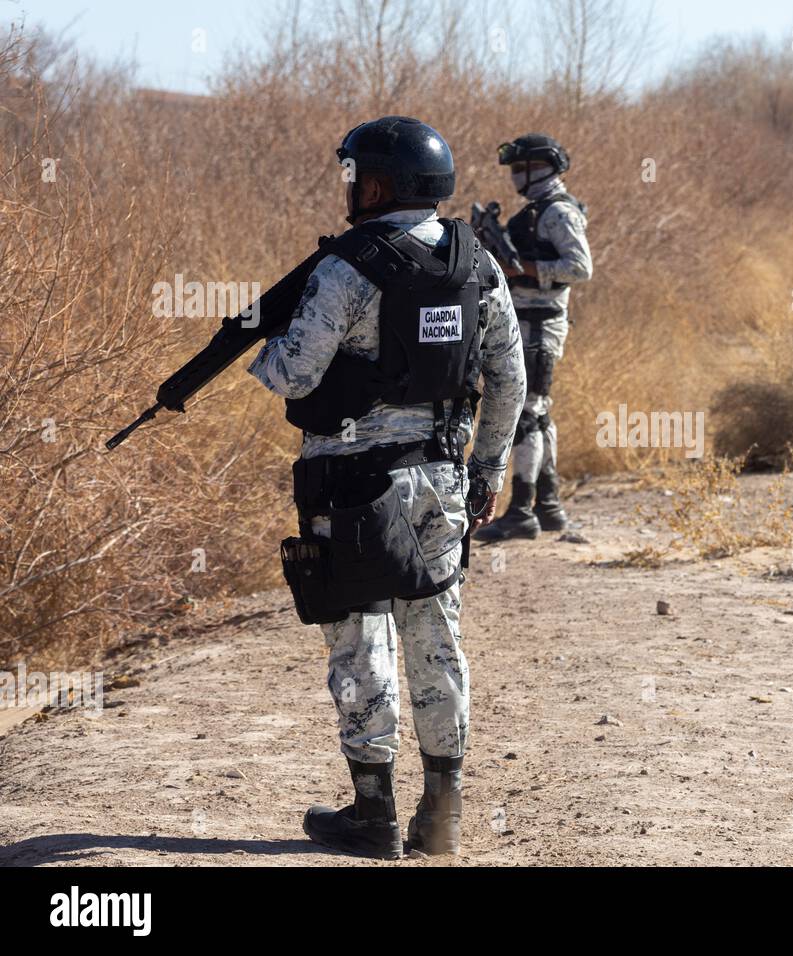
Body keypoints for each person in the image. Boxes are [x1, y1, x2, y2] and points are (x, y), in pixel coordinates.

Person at [247, 116, 526, 858]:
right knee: (437, 639)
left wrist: (262, 340)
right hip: (441, 478)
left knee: (360, 639)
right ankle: (443, 815)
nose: (349, 188)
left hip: (350, 486)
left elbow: (293, 374)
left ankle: (373, 815)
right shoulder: (479, 263)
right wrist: (486, 471)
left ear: (377, 186)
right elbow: (510, 380)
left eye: (355, 176)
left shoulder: (344, 270)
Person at [475, 133, 592, 541]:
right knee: (538, 414)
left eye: (519, 168)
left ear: (536, 169)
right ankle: (548, 507)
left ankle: (521, 512)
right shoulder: (537, 210)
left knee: (527, 414)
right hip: (530, 323)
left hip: (540, 326)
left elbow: (580, 268)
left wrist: (522, 268)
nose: (513, 176)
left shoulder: (557, 211)